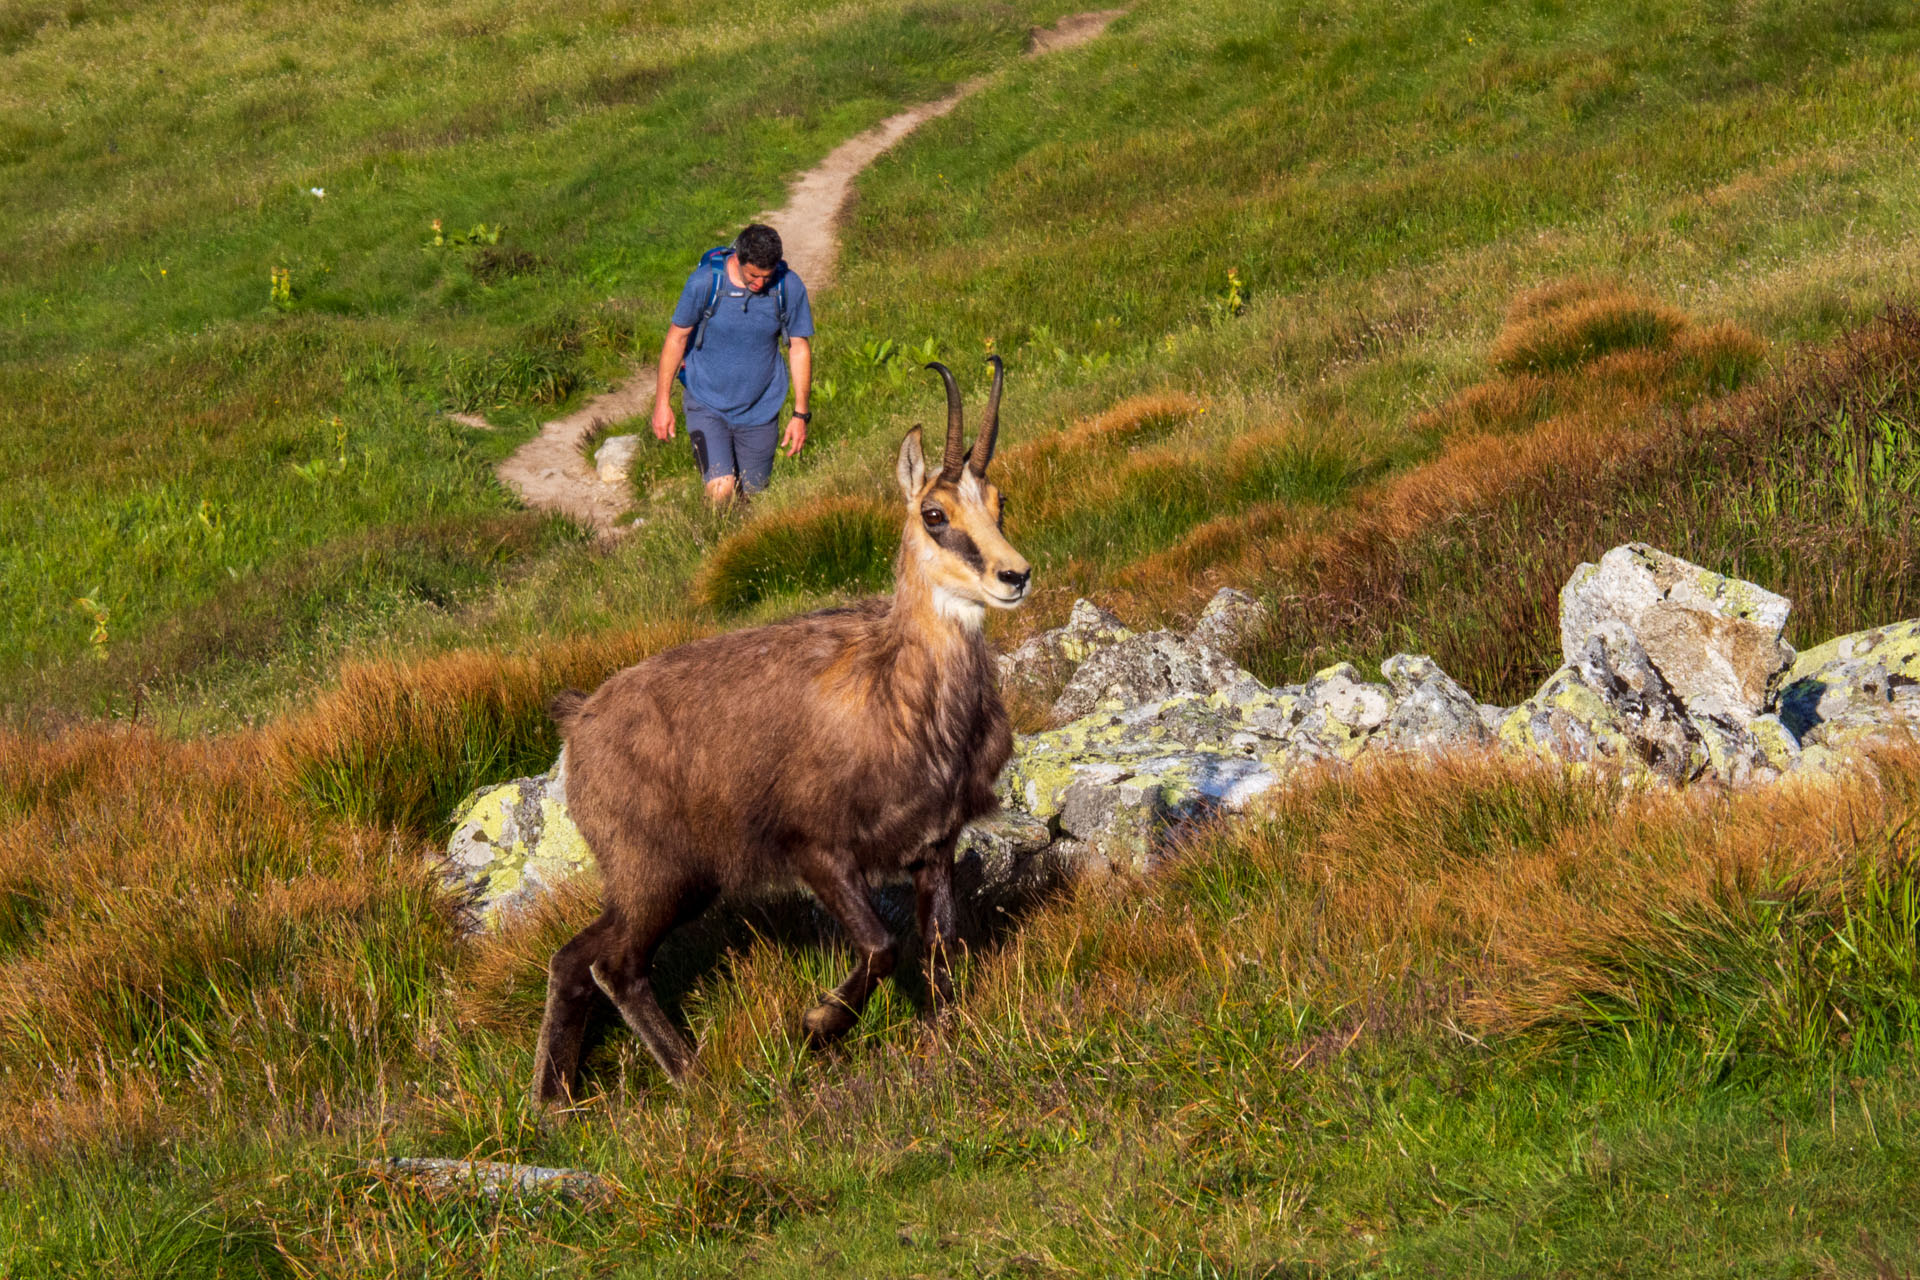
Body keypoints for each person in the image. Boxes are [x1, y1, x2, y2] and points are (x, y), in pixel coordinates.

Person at [651, 223, 814, 503]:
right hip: (706, 402)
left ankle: (737, 544)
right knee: (722, 491)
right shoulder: (703, 283)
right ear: (738, 258)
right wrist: (662, 402)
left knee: (753, 496)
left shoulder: (789, 287)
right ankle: (710, 541)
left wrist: (800, 415)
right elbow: (676, 339)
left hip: (761, 409)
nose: (760, 284)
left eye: (767, 276)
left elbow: (798, 347)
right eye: (753, 275)